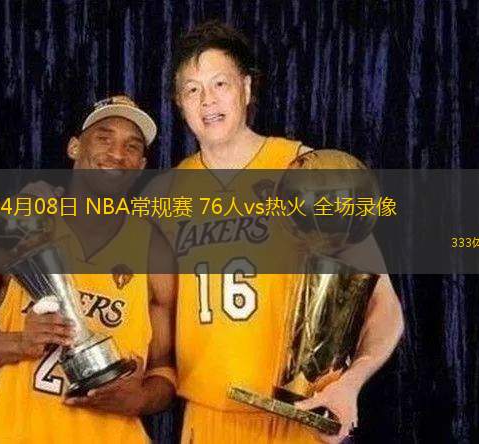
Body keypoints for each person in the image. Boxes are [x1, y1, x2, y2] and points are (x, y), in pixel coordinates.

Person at [167, 22, 404, 443]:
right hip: (207, 420)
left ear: (246, 88)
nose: (207, 100)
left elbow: (382, 303)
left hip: (297, 417)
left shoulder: (306, 167)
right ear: (180, 104)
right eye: (192, 89)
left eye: (220, 83)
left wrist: (351, 382)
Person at [0, 96, 177, 443]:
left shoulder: (154, 251)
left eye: (132, 147)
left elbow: (165, 368)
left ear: (141, 165)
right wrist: (20, 343)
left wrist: (142, 399)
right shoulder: (14, 225)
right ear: (74, 147)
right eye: (104, 138)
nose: (117, 154)